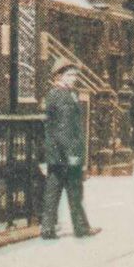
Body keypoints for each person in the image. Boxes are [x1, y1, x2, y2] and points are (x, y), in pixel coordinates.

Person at [41, 60, 100, 240]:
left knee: (53, 191)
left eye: (75, 75)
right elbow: (65, 129)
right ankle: (81, 228)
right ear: (60, 76)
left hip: (55, 154)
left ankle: (47, 228)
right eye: (71, 75)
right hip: (67, 154)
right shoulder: (64, 96)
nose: (75, 79)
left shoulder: (54, 94)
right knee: (75, 192)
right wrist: (74, 156)